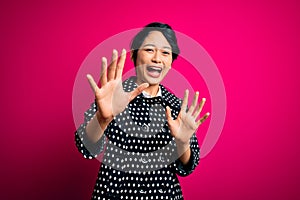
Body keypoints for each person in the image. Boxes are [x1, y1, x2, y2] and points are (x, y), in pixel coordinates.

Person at [75, 22, 210, 199]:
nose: (157, 58)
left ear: (171, 61)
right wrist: (102, 118)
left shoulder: (176, 106)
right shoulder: (113, 95)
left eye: (165, 52)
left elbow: (187, 166)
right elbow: (86, 145)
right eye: (149, 49)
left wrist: (183, 142)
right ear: (135, 54)